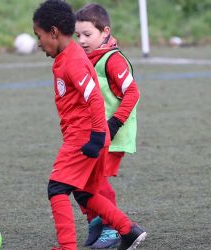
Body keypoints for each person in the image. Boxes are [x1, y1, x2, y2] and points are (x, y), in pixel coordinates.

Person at [32, 1, 146, 250]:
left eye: (38, 36)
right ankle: (128, 230)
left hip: (84, 136)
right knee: (85, 193)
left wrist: (97, 135)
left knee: (57, 188)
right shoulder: (67, 57)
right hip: (89, 134)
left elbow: (94, 96)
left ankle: (67, 247)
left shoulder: (73, 60)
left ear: (53, 32)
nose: (38, 43)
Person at [74, 3, 141, 248]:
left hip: (112, 134)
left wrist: (113, 125)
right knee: (79, 180)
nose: (81, 40)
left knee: (96, 182)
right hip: (92, 133)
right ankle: (97, 223)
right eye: (77, 35)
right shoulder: (87, 58)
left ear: (105, 32)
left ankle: (113, 228)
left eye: (87, 35)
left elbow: (133, 93)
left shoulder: (113, 60)